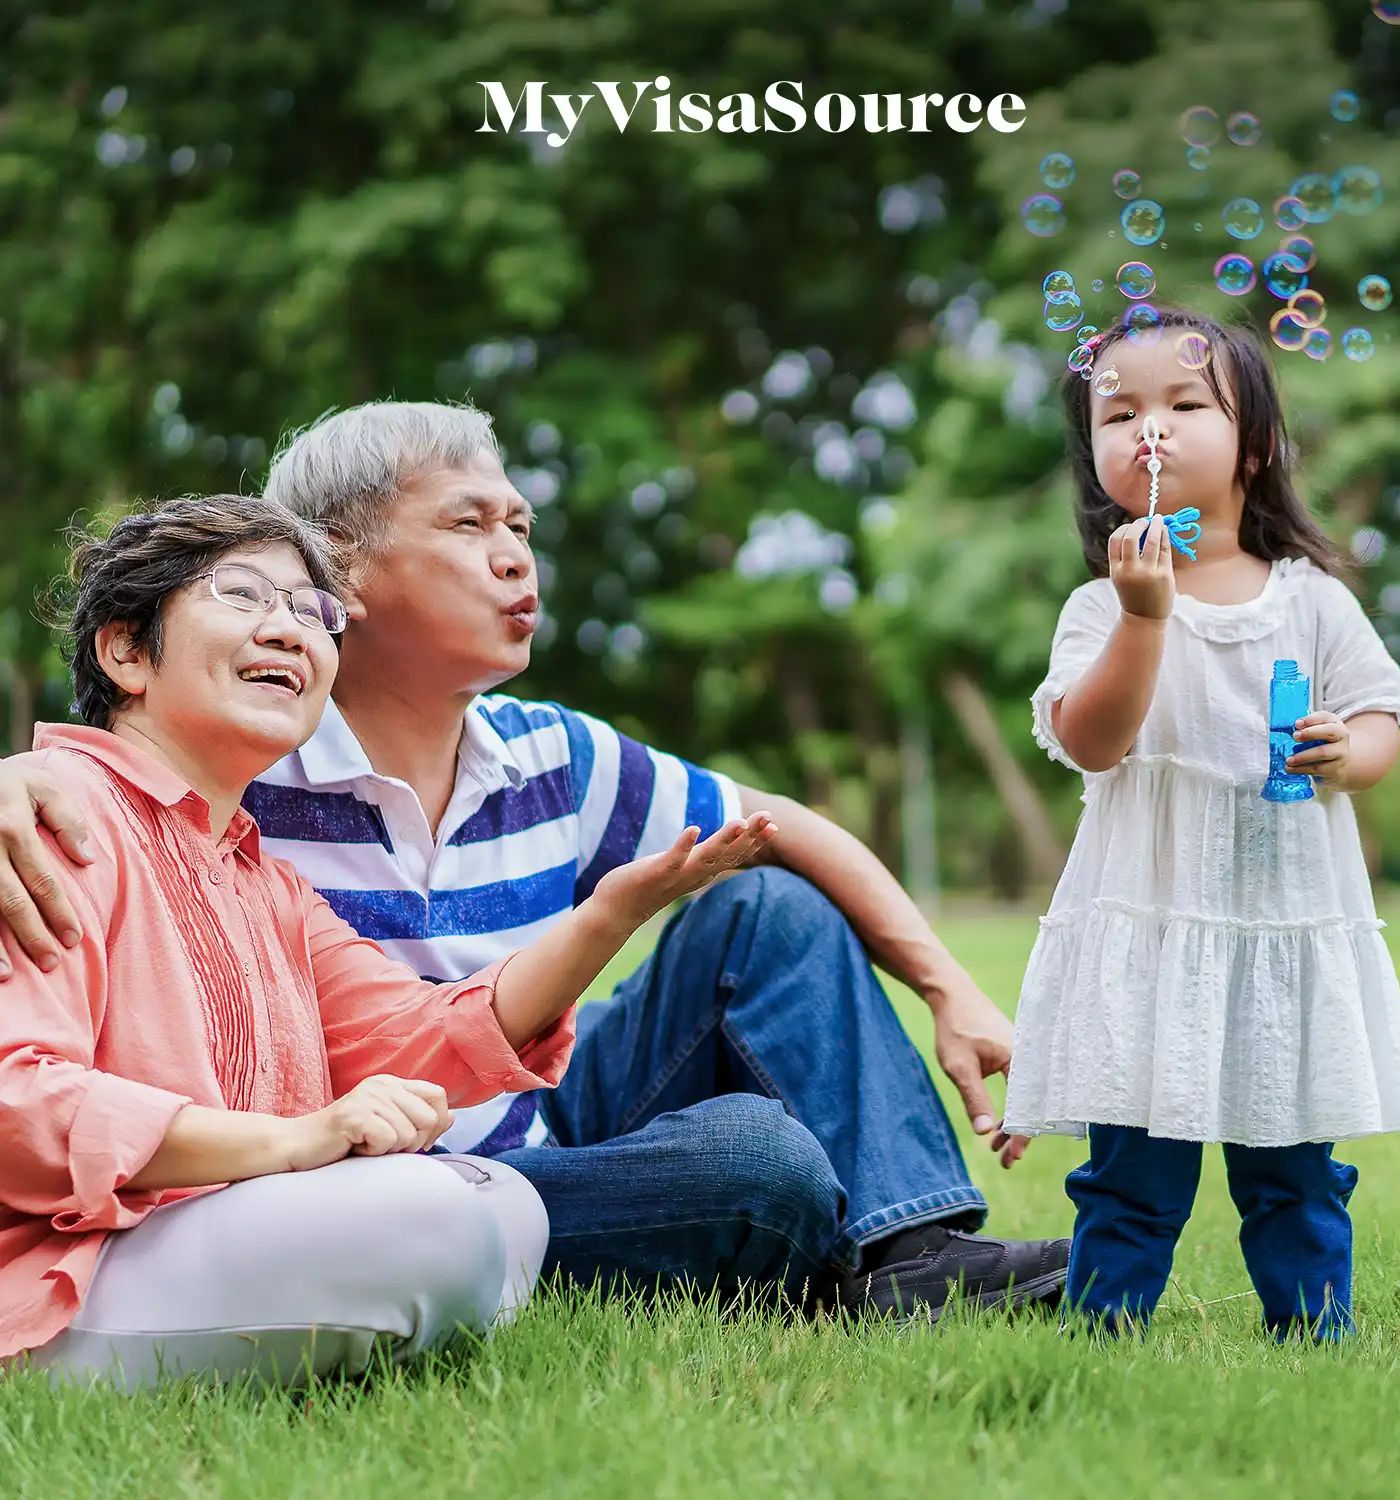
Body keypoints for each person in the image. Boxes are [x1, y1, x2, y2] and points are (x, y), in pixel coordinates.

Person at [0, 402, 1068, 1320]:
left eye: (520, 524)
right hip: (348, 1179)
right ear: (344, 563)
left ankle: (909, 1250)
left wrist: (949, 988)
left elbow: (775, 822)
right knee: (758, 1163)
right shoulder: (235, 761)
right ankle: (753, 1229)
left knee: (766, 907)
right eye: (469, 524)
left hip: (522, 1115)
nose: (516, 556)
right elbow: (113, 750)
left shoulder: (548, 751)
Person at [0, 496, 770, 1389]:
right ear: (126, 651)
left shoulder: (264, 883)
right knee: (438, 1223)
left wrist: (607, 916)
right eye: (244, 595)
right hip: (64, 1273)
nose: (288, 631)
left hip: (200, 1240)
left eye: (312, 612)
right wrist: (289, 1141)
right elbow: (18, 1100)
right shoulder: (52, 814)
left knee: (506, 1205)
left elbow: (422, 1036)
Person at [996, 309, 1400, 1339]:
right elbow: (1095, 741)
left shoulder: (1310, 600)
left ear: (1258, 446)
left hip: (1277, 931)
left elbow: (1379, 719)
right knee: (1130, 1175)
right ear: (1092, 451)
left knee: (1296, 1175)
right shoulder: (1100, 608)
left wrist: (1347, 753)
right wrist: (1147, 617)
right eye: (1119, 412)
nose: (1149, 430)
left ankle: (1315, 1334)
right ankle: (1105, 1335)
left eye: (1186, 405)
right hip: (1150, 937)